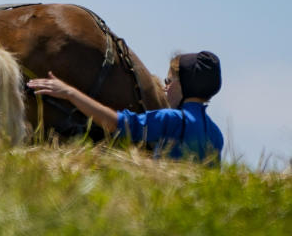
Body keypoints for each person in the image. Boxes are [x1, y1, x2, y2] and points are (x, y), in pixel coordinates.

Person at [27, 51, 224, 163]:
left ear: (183, 85)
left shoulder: (171, 120)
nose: (164, 88)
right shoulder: (216, 135)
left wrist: (69, 93)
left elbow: (116, 123)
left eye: (169, 80)